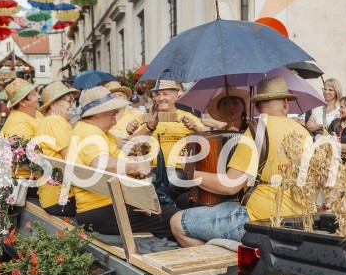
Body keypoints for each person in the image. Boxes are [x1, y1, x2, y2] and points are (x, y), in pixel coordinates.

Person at [171, 77, 309, 247]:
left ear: (257, 106)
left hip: (260, 219)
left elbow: (230, 185)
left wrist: (191, 172)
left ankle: (228, 269)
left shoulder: (257, 131)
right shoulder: (305, 133)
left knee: (177, 222)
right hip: (301, 219)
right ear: (286, 103)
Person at [67, 86, 177, 238]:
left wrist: (150, 125)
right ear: (98, 114)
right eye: (113, 109)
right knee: (176, 219)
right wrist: (136, 167)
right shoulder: (90, 133)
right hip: (105, 210)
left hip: (106, 206)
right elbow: (101, 164)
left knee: (170, 214)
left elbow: (129, 144)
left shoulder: (95, 130)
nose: (117, 112)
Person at [34, 81, 80, 217]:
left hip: (52, 196)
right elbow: (73, 157)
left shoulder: (47, 121)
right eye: (69, 101)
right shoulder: (55, 121)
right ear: (53, 104)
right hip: (61, 198)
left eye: (73, 101)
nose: (73, 106)